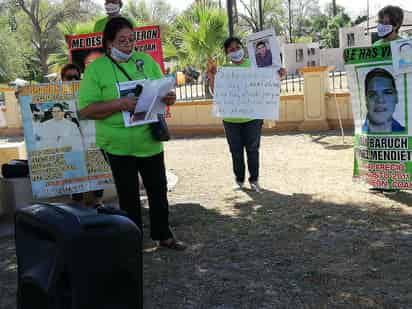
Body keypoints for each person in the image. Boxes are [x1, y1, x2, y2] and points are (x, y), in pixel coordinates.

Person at [78, 17, 185, 250]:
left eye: (131, 39)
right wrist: (120, 104)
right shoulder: (96, 69)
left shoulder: (145, 61)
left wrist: (170, 98)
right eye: (121, 40)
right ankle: (133, 239)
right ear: (108, 43)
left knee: (158, 190)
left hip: (149, 140)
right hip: (117, 145)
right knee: (128, 196)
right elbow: (85, 110)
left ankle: (164, 235)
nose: (128, 44)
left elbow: (164, 92)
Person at [208, 37, 285, 193]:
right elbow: (216, 93)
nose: (235, 51)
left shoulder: (255, 65)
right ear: (226, 53)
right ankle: (239, 180)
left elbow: (269, 82)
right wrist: (212, 77)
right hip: (230, 118)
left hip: (253, 117)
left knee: (252, 149)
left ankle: (254, 180)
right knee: (235, 150)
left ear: (243, 48)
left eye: (238, 47)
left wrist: (279, 76)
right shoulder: (222, 70)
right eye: (231, 49)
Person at [60, 64, 106, 208]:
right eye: (69, 77)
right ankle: (77, 201)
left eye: (76, 77)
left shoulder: (88, 91)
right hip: (70, 140)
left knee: (96, 167)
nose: (73, 80)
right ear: (62, 79)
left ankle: (98, 201)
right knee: (74, 169)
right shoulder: (56, 95)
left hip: (91, 137)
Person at [362, 68, 404, 133]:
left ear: (396, 97)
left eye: (387, 92)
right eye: (373, 94)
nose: (380, 100)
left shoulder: (405, 132)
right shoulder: (360, 132)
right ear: (366, 99)